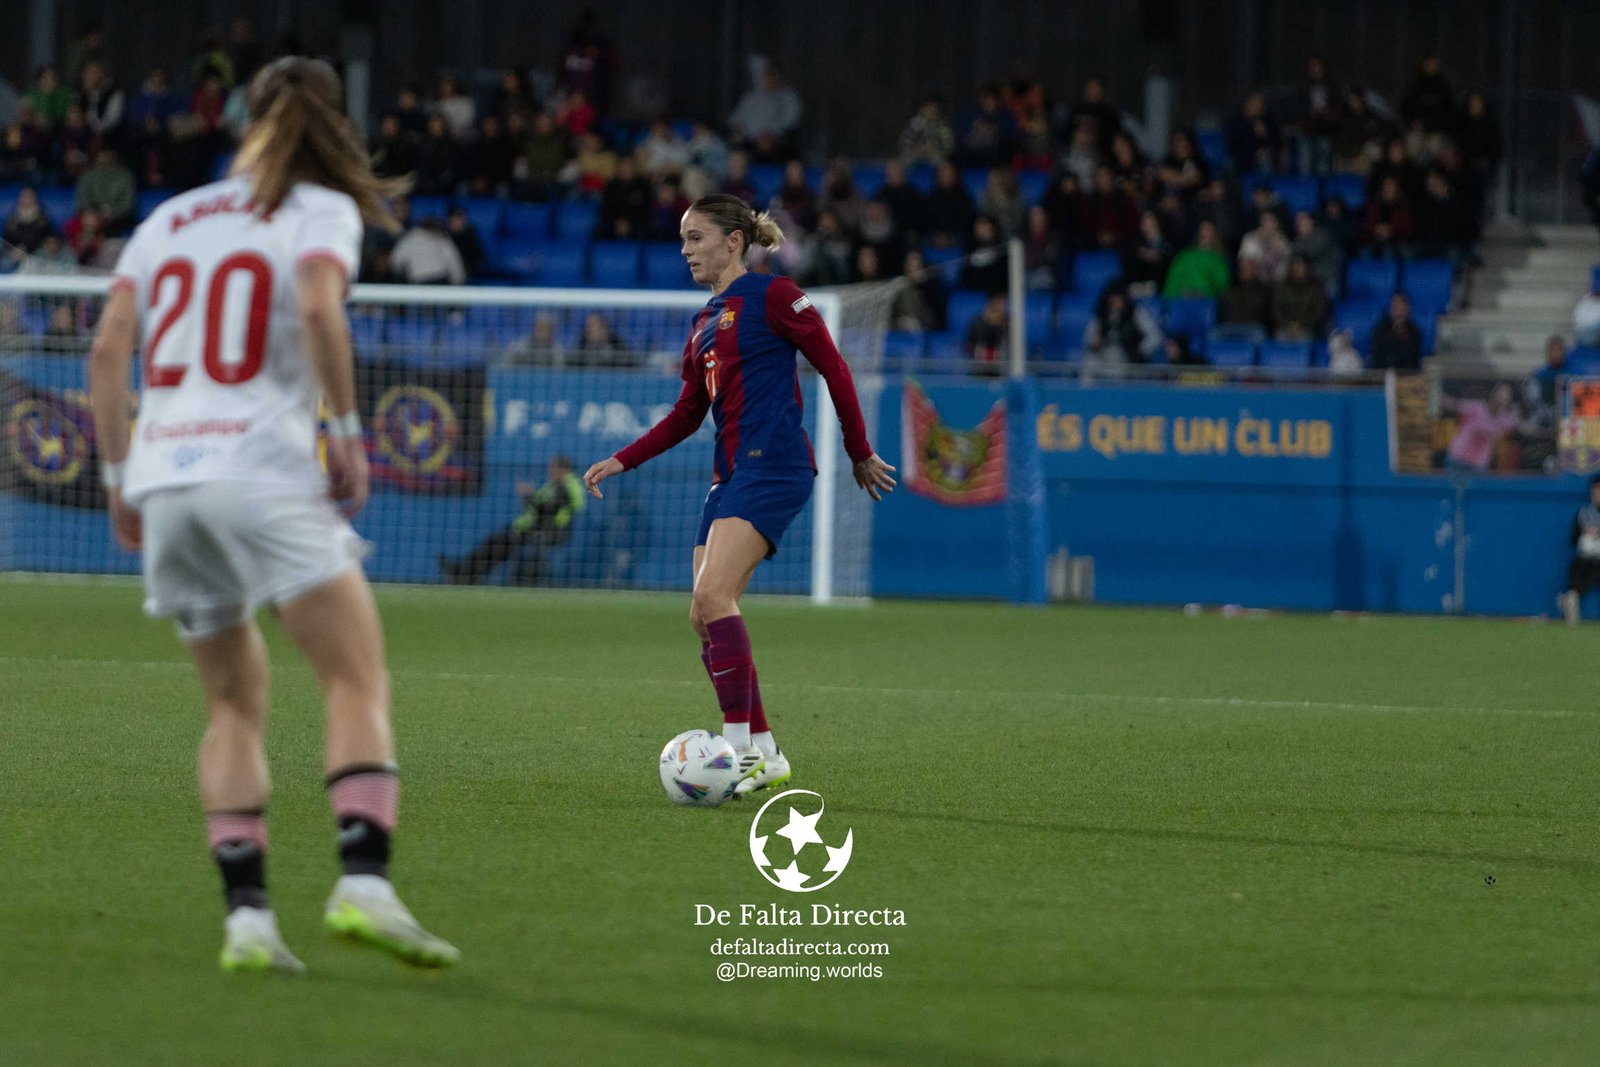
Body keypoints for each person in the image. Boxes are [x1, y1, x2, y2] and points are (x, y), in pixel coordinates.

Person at [85, 56, 457, 976]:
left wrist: (119, 476)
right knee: (354, 679)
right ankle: (363, 883)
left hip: (167, 478)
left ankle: (248, 920)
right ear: (335, 123)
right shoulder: (320, 209)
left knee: (230, 704)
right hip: (260, 468)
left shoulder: (169, 218)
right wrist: (345, 431)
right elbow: (321, 309)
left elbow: (105, 351)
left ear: (243, 121)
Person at [581, 194, 895, 797]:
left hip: (773, 463)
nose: (685, 250)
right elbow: (686, 414)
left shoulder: (776, 295)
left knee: (713, 594)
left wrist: (858, 449)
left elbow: (834, 367)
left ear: (733, 241)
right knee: (702, 613)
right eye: (683, 239)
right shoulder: (703, 323)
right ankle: (766, 752)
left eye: (695, 237)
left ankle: (739, 751)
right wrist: (623, 459)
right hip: (728, 475)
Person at [441, 457, 585, 585]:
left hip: (548, 533)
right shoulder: (555, 486)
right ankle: (464, 572)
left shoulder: (566, 488)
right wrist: (529, 498)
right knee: (494, 541)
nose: (550, 471)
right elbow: (537, 507)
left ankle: (465, 575)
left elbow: (547, 511)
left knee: (501, 545)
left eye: (552, 468)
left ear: (562, 469)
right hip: (532, 529)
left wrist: (528, 495)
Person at [1559, 476, 1600, 625]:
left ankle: (1572, 597)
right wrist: (1586, 533)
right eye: (1596, 490)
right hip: (1586, 556)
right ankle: (1572, 597)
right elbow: (1574, 538)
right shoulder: (1584, 513)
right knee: (1581, 564)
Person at [1371, 292, 1424, 371]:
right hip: (1384, 372)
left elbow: (1413, 359)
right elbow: (1378, 358)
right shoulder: (1380, 331)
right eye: (1395, 307)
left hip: (1407, 373)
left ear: (1408, 309)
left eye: (1402, 307)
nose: (1398, 312)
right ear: (1390, 309)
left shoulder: (1415, 332)